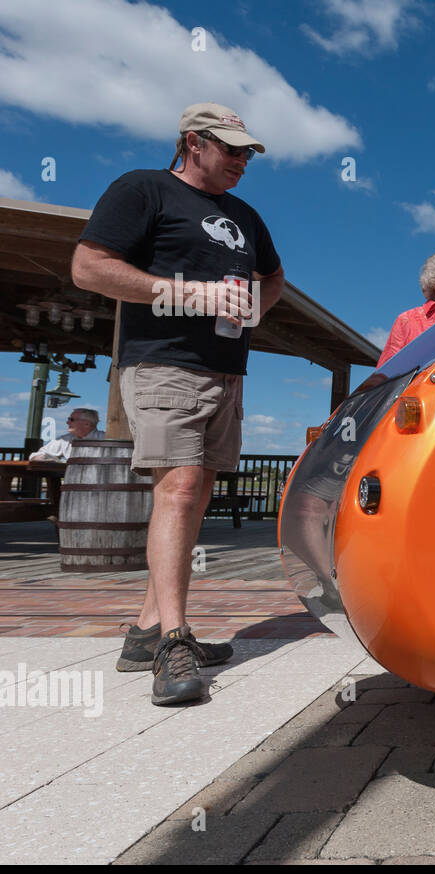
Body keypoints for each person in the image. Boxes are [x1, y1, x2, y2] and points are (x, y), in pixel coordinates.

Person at [70, 102, 285, 704]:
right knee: (182, 489)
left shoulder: (243, 213)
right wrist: (192, 294)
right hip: (162, 361)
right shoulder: (144, 189)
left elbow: (274, 274)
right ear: (193, 142)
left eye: (248, 152)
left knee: (193, 497)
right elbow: (88, 268)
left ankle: (145, 632)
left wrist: (255, 310)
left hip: (227, 369)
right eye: (232, 149)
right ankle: (175, 641)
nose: (243, 161)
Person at [29, 408, 105, 462]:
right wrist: (44, 459)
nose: (67, 422)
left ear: (87, 424)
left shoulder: (105, 439)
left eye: (71, 420)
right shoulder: (65, 440)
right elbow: (38, 454)